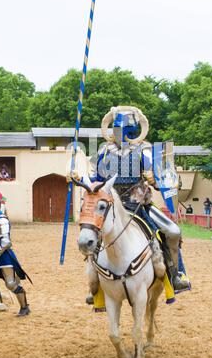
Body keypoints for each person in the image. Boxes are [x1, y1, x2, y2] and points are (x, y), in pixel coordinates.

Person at [70, 106, 190, 300]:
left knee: (173, 232)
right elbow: (95, 179)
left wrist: (155, 179)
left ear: (131, 131)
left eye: (121, 129)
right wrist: (79, 177)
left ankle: (175, 273)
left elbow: (168, 179)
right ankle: (96, 285)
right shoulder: (103, 150)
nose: (117, 133)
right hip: (111, 207)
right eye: (115, 129)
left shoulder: (145, 150)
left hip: (139, 206)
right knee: (91, 235)